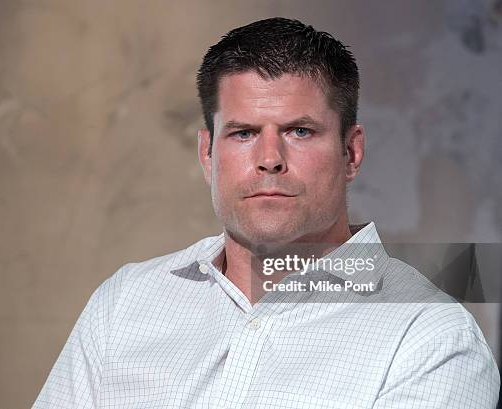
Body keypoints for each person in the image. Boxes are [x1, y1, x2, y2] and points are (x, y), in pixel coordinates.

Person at [32, 17, 499, 408]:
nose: (269, 157)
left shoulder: (427, 337)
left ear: (351, 153)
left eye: (299, 131)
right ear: (207, 155)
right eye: (242, 133)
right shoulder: (124, 303)